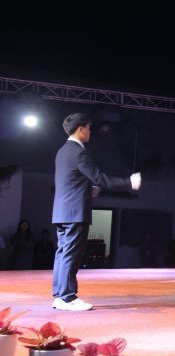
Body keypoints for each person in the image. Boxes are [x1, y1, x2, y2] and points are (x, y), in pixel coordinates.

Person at [52, 113, 141, 311]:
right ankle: (67, 297)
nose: (90, 132)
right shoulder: (79, 152)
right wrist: (129, 182)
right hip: (75, 211)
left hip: (62, 210)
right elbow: (101, 179)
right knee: (70, 254)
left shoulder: (62, 151)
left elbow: (70, 180)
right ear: (81, 129)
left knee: (62, 253)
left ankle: (60, 295)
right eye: (89, 128)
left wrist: (88, 189)